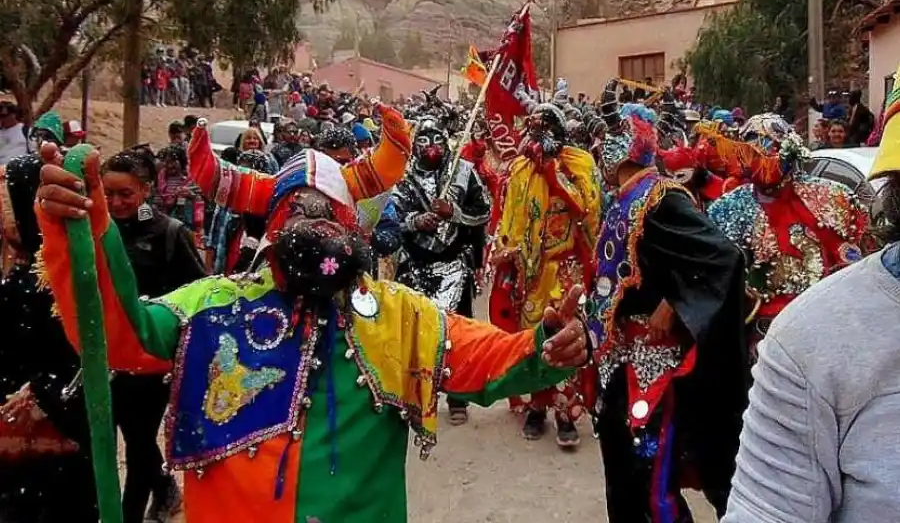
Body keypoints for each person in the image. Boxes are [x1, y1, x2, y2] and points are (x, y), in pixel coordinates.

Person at [33, 104, 591, 523]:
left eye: (330, 217)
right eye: (296, 216)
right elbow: (117, 335)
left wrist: (542, 344)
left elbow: (487, 356)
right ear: (269, 232)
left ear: (354, 227)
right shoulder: (213, 305)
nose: (315, 230)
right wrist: (84, 235)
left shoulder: (400, 316)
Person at [723, 63, 900, 523]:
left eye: (770, 147)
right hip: (768, 345)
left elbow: (857, 246)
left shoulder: (829, 197)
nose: (763, 158)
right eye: (753, 149)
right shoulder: (731, 208)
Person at [588, 80, 749, 522]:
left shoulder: (660, 198)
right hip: (621, 358)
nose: (600, 149)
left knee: (652, 479)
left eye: (607, 140)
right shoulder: (624, 199)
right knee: (623, 475)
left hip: (653, 364)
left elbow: (723, 257)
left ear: (624, 146)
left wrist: (677, 302)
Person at [99, 150, 208, 522]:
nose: (115, 203)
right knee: (107, 438)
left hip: (150, 361)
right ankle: (163, 489)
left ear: (145, 190)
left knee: (138, 441)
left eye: (124, 194)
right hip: (101, 357)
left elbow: (199, 293)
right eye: (107, 193)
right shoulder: (93, 230)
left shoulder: (169, 234)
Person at [706, 113, 868, 360]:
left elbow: (859, 267)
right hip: (764, 339)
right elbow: (714, 276)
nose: (757, 163)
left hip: (828, 330)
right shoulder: (728, 208)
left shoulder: (833, 197)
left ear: (787, 151)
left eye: (765, 154)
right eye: (749, 155)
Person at [490, 93, 601, 447]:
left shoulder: (579, 162)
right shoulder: (519, 170)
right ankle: (538, 405)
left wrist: (553, 170)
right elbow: (508, 216)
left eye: (543, 128)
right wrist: (505, 255)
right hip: (532, 272)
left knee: (567, 336)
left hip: (567, 268)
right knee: (535, 337)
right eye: (532, 129)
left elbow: (586, 208)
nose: (535, 135)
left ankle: (566, 412)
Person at [0, 154, 98, 523]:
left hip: (57, 438)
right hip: (19, 442)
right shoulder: (22, 275)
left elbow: (86, 355)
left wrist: (39, 393)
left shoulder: (63, 277)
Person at [392, 119, 492, 426]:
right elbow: (389, 218)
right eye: (425, 142)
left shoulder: (463, 171)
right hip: (414, 265)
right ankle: (416, 396)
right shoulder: (400, 175)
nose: (432, 147)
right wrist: (415, 221)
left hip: (454, 264)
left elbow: (484, 210)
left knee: (455, 332)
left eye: (438, 141)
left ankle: (458, 396)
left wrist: (456, 214)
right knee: (414, 333)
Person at [0, 102, 27, 166]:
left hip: (20, 170)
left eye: (3, 116)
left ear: (13, 115)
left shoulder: (26, 131)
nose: (1, 119)